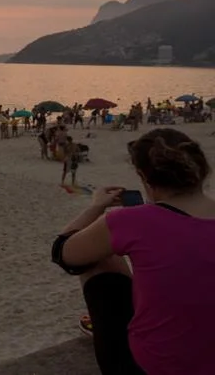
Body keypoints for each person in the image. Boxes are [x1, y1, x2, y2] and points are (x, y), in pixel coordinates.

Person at [51, 128, 215, 375]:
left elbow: (63, 253)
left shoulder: (133, 221)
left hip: (147, 368)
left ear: (143, 177)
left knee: (101, 253)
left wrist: (96, 207)